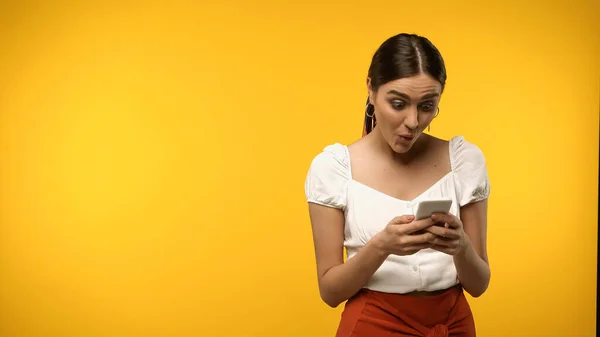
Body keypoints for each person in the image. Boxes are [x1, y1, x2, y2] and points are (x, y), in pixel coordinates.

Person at [303, 33, 491, 337]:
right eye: (398, 103)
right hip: (374, 326)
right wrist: (382, 245)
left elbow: (479, 284)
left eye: (427, 105)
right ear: (370, 89)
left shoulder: (464, 161)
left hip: (454, 326)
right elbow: (330, 292)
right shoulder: (334, 169)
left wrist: (462, 247)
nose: (413, 121)